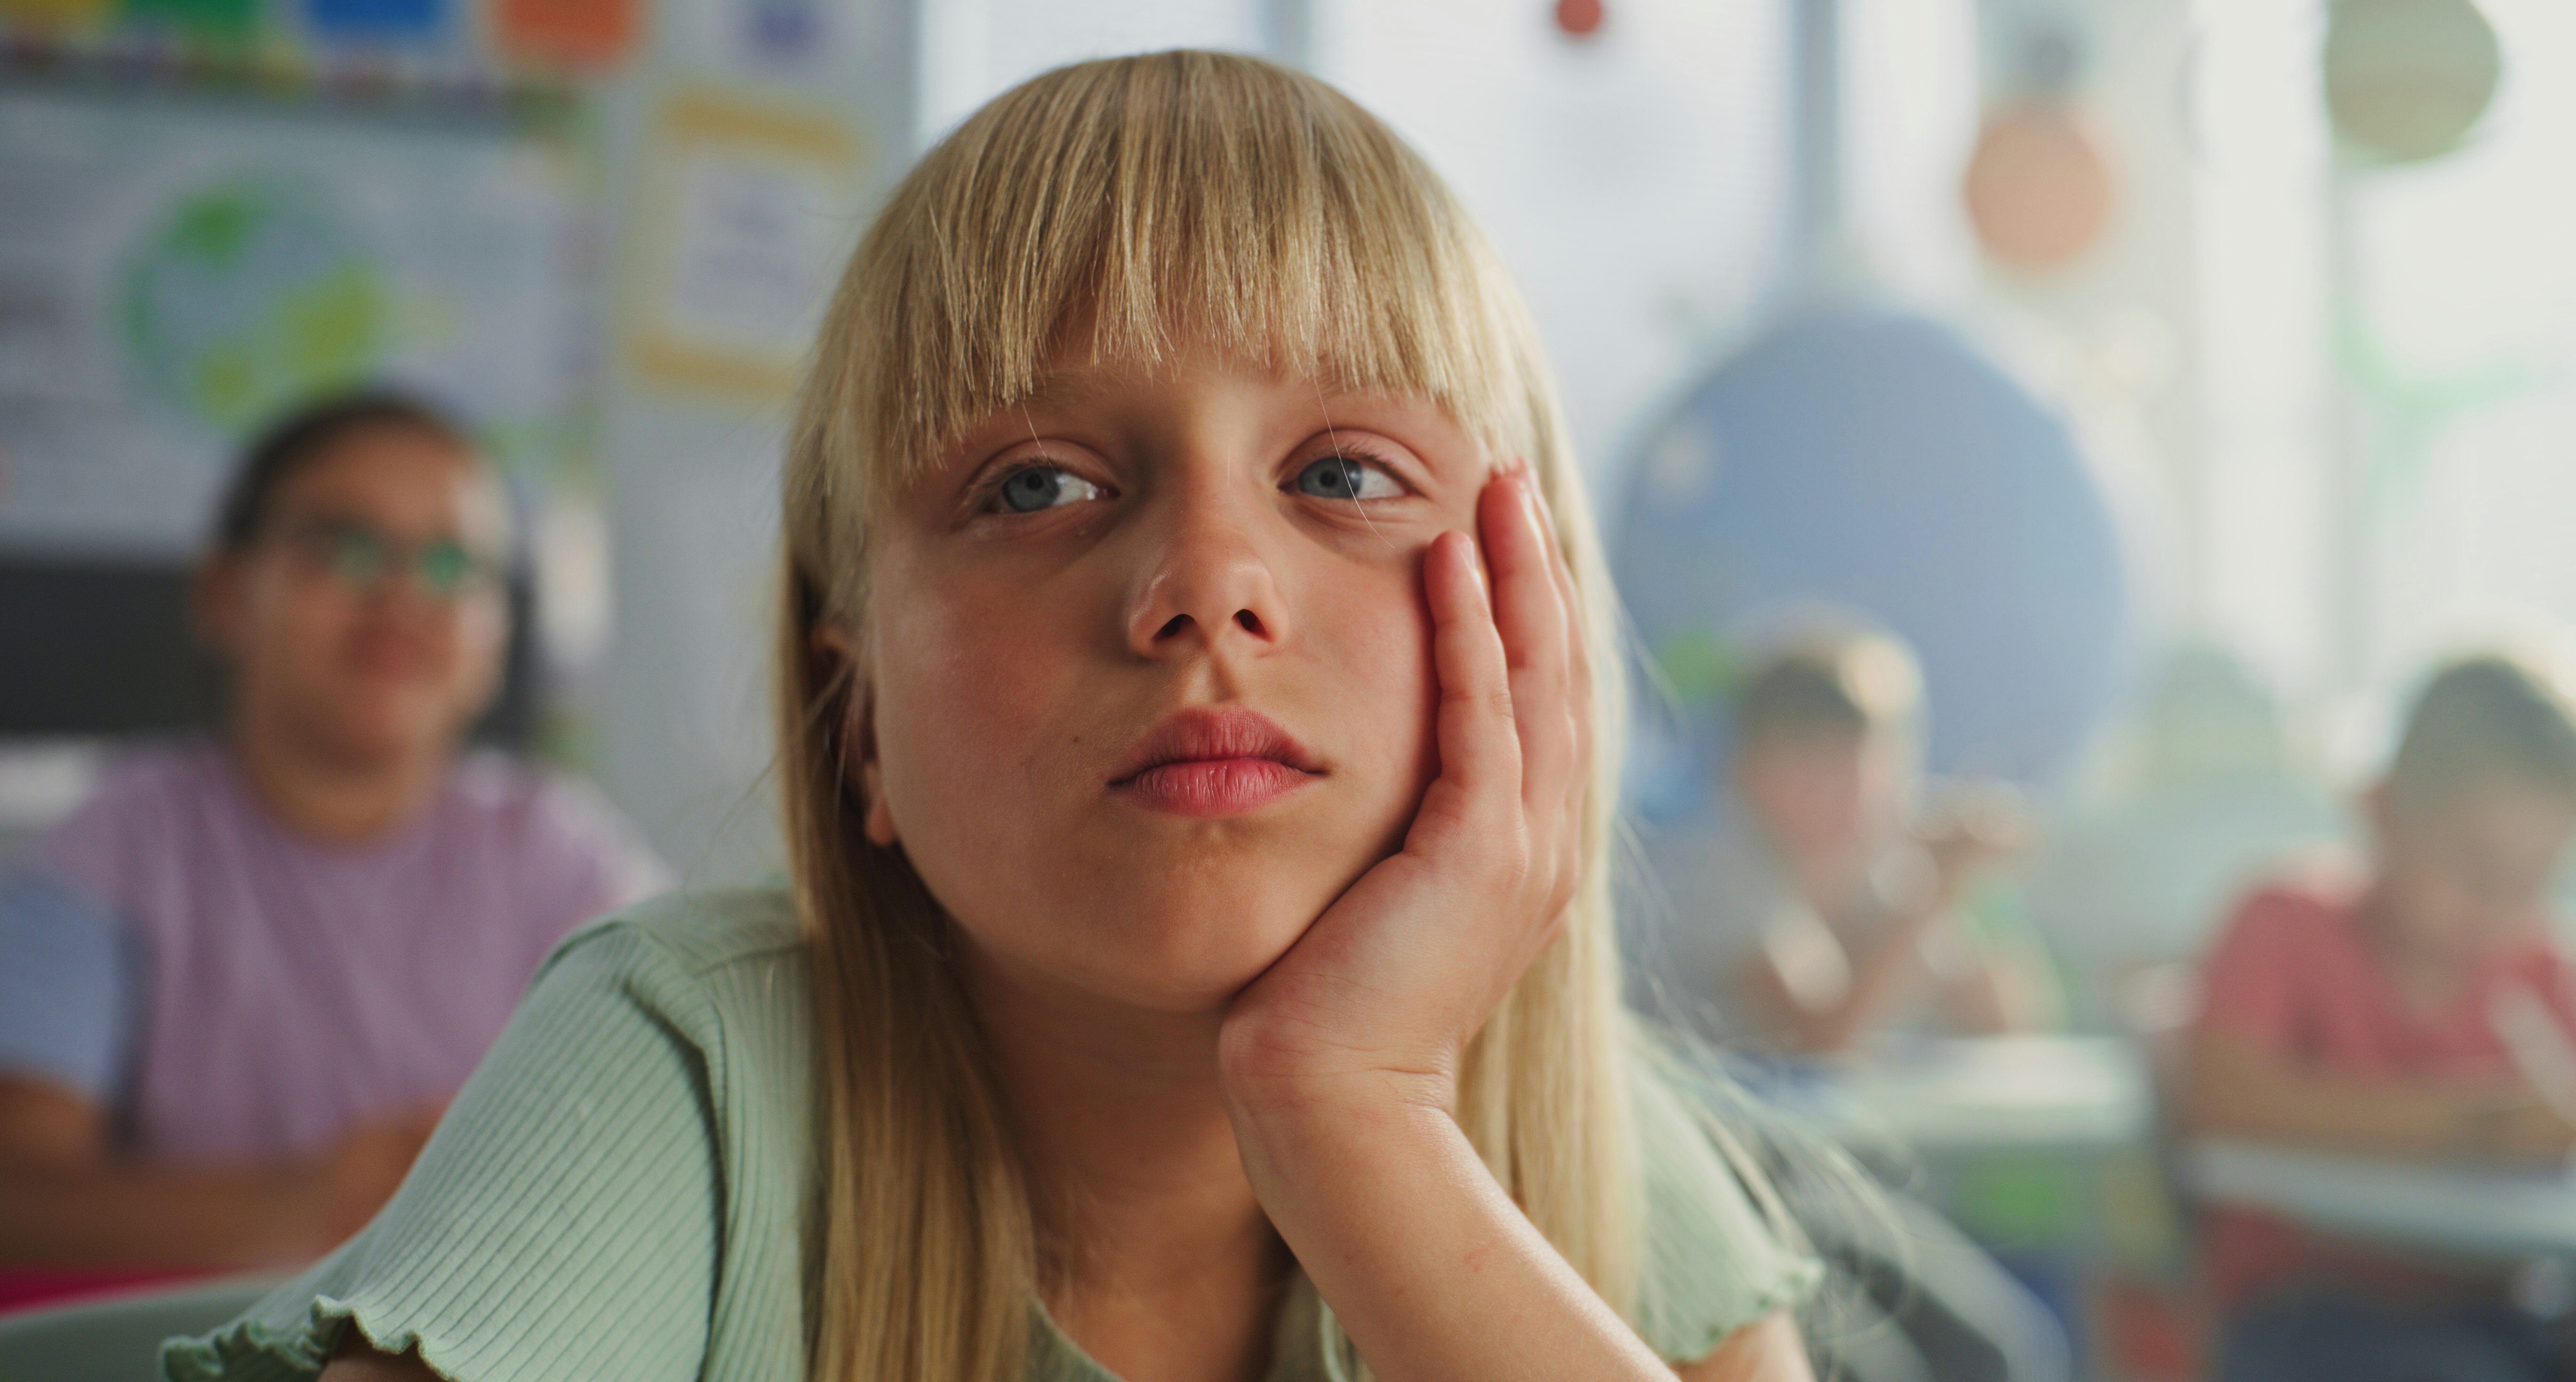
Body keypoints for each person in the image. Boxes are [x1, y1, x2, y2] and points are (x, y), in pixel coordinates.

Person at [165, 52, 1828, 1382]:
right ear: (857, 715)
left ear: (1533, 620)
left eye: (1342, 475)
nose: (1205, 586)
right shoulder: (689, 1077)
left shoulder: (1584, 1145)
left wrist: (1356, 1111)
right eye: (1036, 483)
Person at [0, 392, 668, 1289]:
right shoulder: (111, 847)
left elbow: (679, 1128)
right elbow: (21, 1197)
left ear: (494, 639)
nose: (399, 596)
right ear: (227, 593)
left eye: (448, 563)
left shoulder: (562, 853)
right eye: (345, 546)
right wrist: (312, 1205)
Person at [2182, 654, 2576, 1382]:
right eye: (2474, 867)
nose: (2498, 906)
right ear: (2380, 808)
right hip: (2311, 1313)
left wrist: (2566, 1125)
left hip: (2507, 1308)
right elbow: (2222, 1101)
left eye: (2533, 880)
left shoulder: (2540, 962)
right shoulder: (2282, 920)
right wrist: (2473, 1125)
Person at [1634, 628, 2061, 1055]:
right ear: (1747, 766)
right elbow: (1817, 1036)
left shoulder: (1878, 872)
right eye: (1811, 758)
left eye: (1865, 758)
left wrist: (1970, 884)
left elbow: (2006, 1022)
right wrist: (1935, 887)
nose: (1848, 789)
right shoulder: (1717, 866)